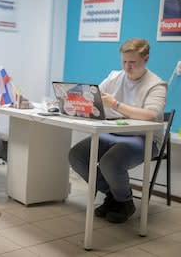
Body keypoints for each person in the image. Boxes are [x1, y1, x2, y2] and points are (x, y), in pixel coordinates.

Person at [68, 38, 167, 224]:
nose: (127, 68)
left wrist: (115, 104)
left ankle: (124, 202)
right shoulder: (115, 77)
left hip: (144, 138)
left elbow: (150, 115)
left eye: (133, 63)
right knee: (77, 155)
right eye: (124, 62)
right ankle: (116, 196)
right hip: (113, 133)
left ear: (145, 59)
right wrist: (72, 102)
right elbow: (94, 97)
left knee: (110, 162)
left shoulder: (156, 85)